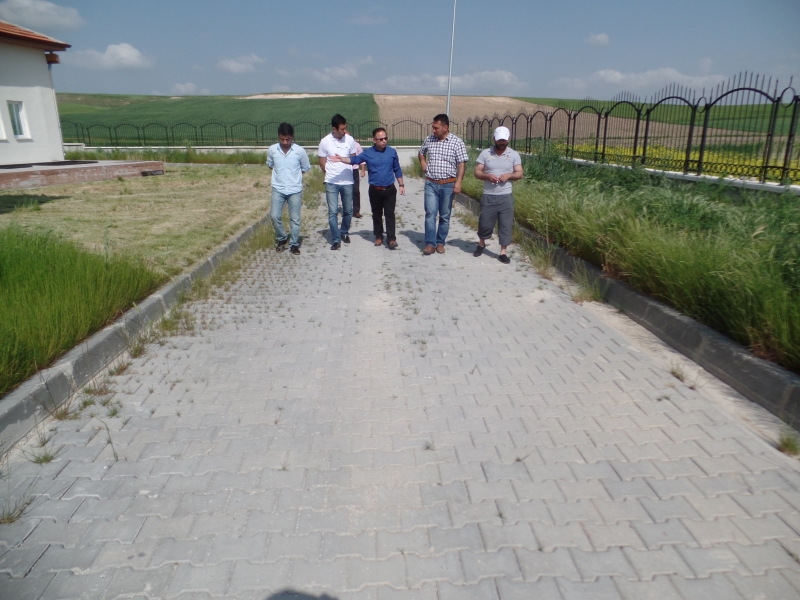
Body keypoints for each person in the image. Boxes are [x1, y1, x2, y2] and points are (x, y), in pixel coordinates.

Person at [328, 127, 405, 249]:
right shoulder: (368, 153)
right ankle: (378, 236)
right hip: (375, 190)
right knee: (376, 214)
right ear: (374, 140)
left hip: (389, 189)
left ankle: (391, 239)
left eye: (385, 138)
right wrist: (342, 159)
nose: (384, 141)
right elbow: (355, 160)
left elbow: (397, 168)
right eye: (381, 139)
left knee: (390, 214)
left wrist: (401, 185)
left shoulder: (392, 152)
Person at [417, 113, 468, 255]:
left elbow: (462, 163)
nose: (433, 130)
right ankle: (430, 243)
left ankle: (440, 242)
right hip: (431, 184)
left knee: (445, 215)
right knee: (430, 213)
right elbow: (421, 153)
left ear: (445, 127)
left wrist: (459, 182)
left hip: (448, 185)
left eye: (436, 128)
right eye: (433, 127)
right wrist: (423, 162)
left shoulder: (456, 142)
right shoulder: (429, 139)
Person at [473, 126, 524, 264]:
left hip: (506, 196)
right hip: (489, 195)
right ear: (494, 139)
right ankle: (481, 244)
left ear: (508, 139)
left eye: (504, 140)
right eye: (499, 140)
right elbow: (477, 171)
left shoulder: (513, 154)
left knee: (505, 224)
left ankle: (503, 252)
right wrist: (487, 176)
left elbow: (519, 173)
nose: (501, 143)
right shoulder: (485, 153)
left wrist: (509, 175)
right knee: (485, 223)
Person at [266, 122, 311, 256]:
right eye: (282, 139)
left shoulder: (299, 151)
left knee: (295, 218)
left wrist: (294, 177)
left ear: (292, 137)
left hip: (295, 189)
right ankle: (282, 238)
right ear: (278, 137)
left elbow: (305, 167)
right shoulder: (273, 150)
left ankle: (294, 244)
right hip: (278, 188)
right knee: (274, 216)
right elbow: (270, 164)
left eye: (288, 139)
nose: (285, 142)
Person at [318, 114, 357, 250]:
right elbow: (322, 161)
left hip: (347, 181)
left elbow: (353, 159)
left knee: (348, 210)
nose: (344, 131)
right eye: (341, 129)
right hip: (331, 182)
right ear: (334, 129)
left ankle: (344, 232)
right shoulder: (325, 142)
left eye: (345, 128)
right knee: (333, 211)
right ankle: (335, 239)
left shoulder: (350, 140)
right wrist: (329, 173)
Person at [349, 133, 366, 218]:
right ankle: (347, 210)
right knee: (346, 191)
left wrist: (362, 169)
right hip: (344, 171)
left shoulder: (357, 145)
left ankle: (356, 211)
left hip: (354, 170)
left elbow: (362, 158)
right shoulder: (339, 145)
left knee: (356, 190)